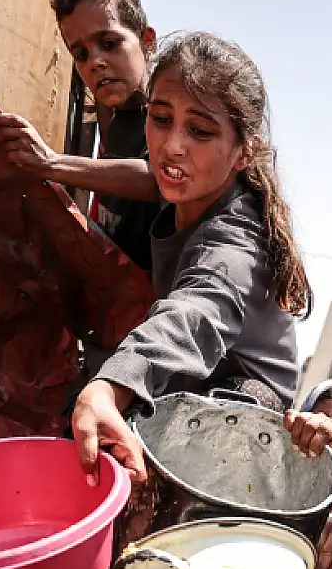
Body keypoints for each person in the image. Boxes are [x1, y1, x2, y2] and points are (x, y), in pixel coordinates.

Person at [68, 32, 317, 483]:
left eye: (200, 131)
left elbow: (193, 313)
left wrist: (111, 385)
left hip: (245, 428)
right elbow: (141, 176)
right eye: (161, 119)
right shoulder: (185, 191)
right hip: (184, 388)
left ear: (245, 152)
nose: (172, 146)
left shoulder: (236, 240)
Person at [0, 0, 162, 269]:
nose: (95, 63)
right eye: (81, 54)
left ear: (147, 41)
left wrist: (50, 163)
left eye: (109, 43)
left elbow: (159, 181)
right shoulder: (112, 112)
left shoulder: (166, 114)